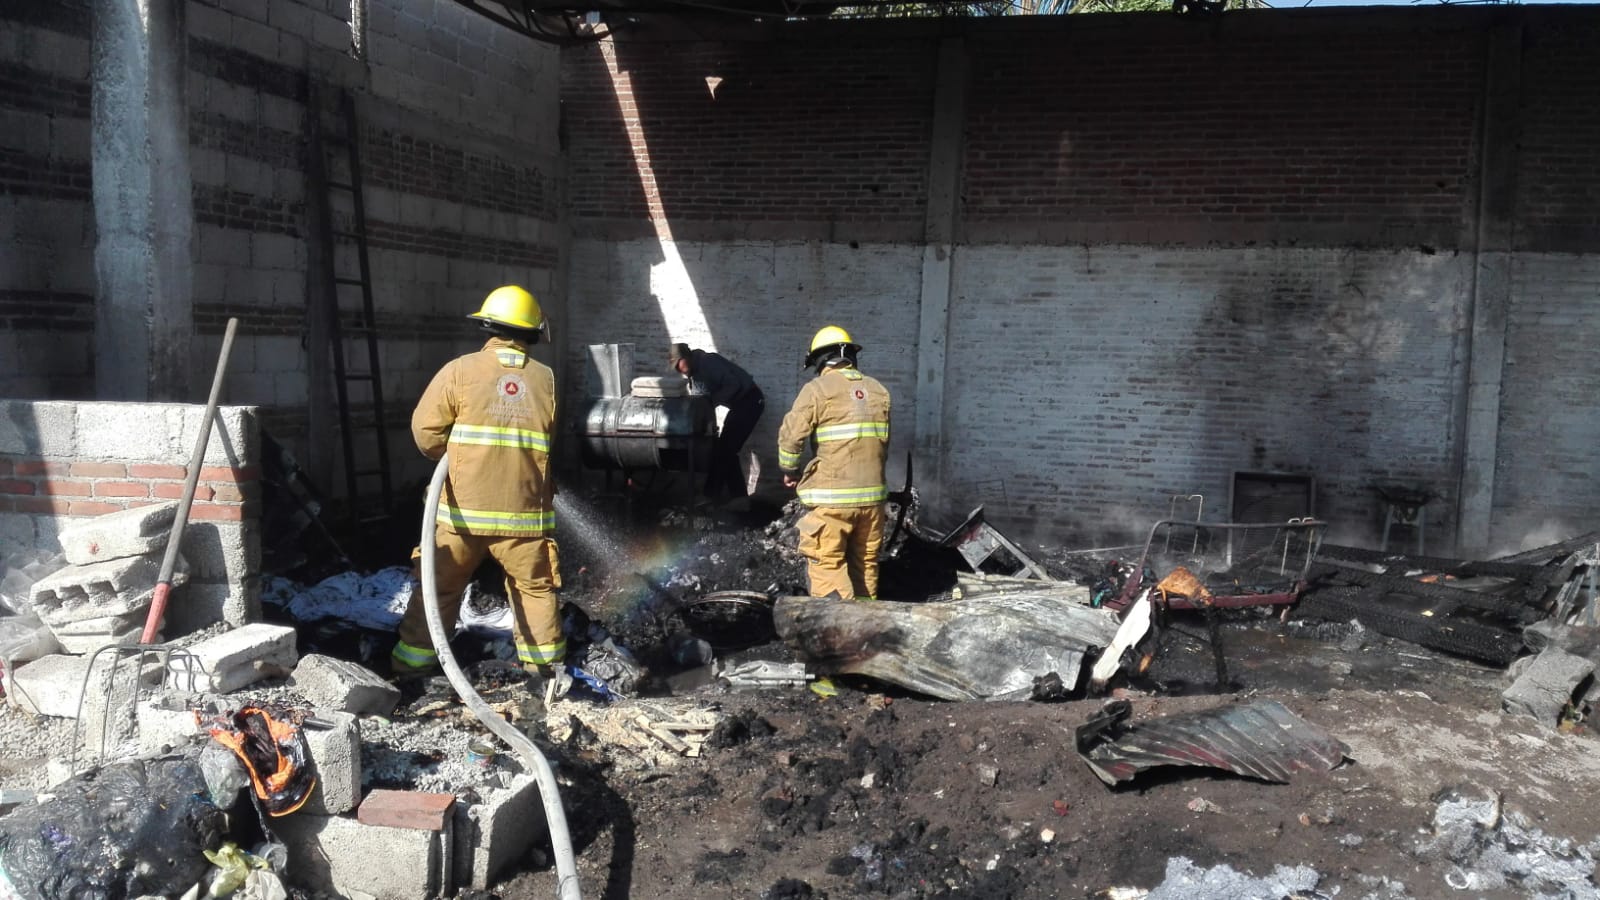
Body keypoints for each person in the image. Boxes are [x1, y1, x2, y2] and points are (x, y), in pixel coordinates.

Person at [390, 285, 566, 676]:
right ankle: (546, 675)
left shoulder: (460, 370)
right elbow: (546, 441)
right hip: (524, 519)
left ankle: (411, 667)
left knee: (439, 589)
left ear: (487, 325)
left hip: (461, 518)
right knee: (534, 591)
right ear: (532, 331)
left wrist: (458, 461)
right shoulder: (545, 379)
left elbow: (425, 432)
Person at [777, 325, 891, 601]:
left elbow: (792, 436)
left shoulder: (816, 390)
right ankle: (868, 628)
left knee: (828, 564)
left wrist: (789, 469)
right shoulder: (878, 391)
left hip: (832, 501)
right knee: (864, 565)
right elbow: (883, 444)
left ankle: (840, 634)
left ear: (819, 360)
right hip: (873, 501)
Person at [669, 342, 765, 503]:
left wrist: (711, 402)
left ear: (686, 357)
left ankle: (710, 495)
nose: (678, 370)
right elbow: (700, 400)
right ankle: (739, 499)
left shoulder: (709, 362)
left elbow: (734, 384)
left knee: (724, 450)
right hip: (740, 405)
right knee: (726, 450)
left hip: (750, 401)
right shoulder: (694, 372)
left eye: (678, 364)